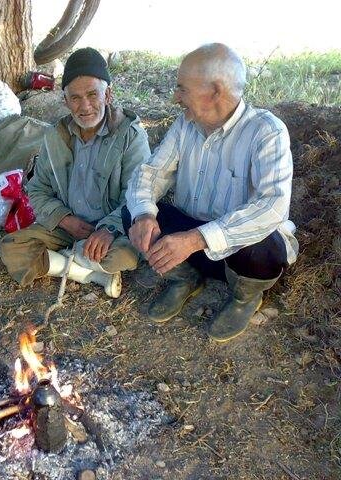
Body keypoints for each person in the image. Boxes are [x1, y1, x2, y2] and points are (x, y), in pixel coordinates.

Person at [124, 43, 298, 342]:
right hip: (187, 249)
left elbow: (272, 206)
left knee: (265, 244)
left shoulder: (267, 131)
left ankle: (245, 299)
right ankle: (184, 278)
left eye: (182, 89)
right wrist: (143, 214)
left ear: (215, 91)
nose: (176, 97)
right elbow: (151, 173)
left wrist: (196, 239)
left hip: (236, 256)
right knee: (134, 210)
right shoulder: (185, 125)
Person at [0, 47, 151, 298]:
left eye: (93, 95)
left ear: (108, 95)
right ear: (65, 100)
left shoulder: (130, 137)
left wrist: (109, 229)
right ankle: (88, 271)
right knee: (12, 247)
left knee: (124, 256)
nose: (85, 106)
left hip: (110, 231)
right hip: (65, 227)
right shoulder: (55, 136)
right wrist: (64, 219)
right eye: (76, 98)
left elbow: (138, 195)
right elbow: (37, 189)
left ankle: (62, 261)